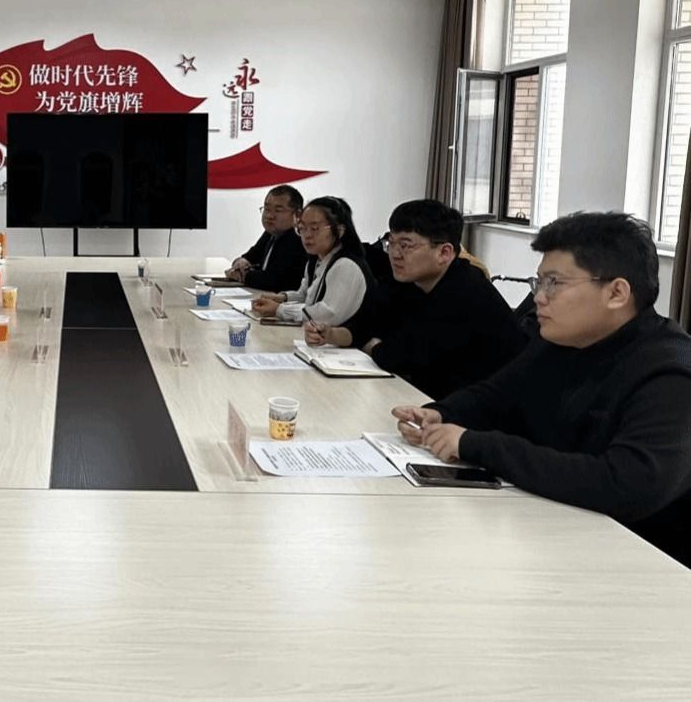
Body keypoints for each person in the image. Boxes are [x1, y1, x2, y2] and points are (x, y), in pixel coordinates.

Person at [392, 212, 691, 568]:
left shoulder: (672, 371)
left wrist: (474, 443)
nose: (539, 298)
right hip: (553, 530)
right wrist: (440, 413)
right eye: (539, 282)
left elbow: (627, 484)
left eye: (554, 283)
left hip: (638, 563)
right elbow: (495, 395)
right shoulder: (560, 341)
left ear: (616, 293)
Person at [306, 200, 525, 400]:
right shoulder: (407, 281)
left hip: (484, 410)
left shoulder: (465, 291)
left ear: (444, 253)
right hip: (429, 396)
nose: (395, 254)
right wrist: (331, 334)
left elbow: (398, 356)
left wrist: (376, 347)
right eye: (391, 242)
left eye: (406, 245)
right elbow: (367, 324)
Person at [251, 196, 372, 325]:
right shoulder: (316, 260)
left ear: (339, 230)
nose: (307, 235)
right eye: (302, 228)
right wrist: (281, 298)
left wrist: (279, 310)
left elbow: (327, 315)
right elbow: (306, 296)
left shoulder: (346, 266)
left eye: (314, 228)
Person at [226, 184, 308, 292]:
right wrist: (240, 263)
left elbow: (274, 280)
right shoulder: (271, 233)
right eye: (267, 209)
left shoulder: (298, 238)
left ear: (297, 215)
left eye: (278, 210)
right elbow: (250, 257)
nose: (269, 216)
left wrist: (244, 275)